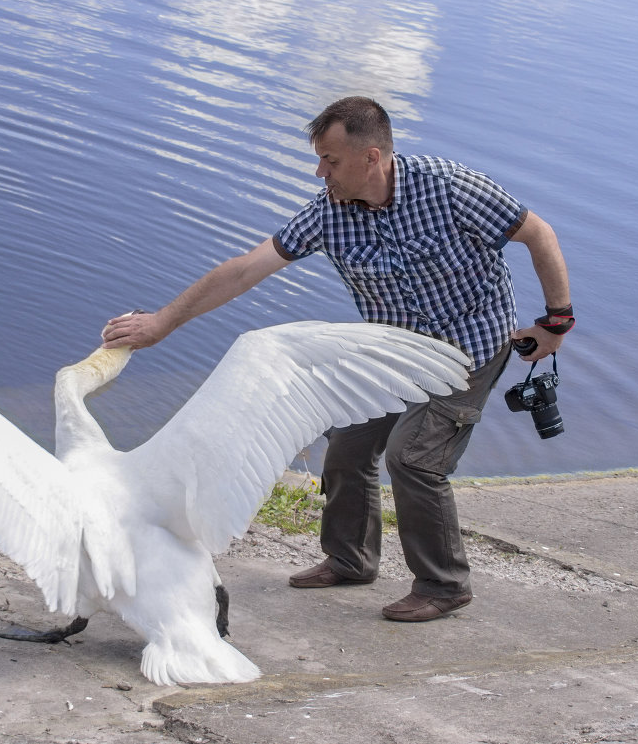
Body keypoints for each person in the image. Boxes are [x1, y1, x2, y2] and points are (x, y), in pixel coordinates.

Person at [101, 95, 572, 622]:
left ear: (371, 157)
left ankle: (444, 585)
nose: (319, 171)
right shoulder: (328, 212)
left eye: (330, 160)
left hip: (471, 344)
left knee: (413, 458)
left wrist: (556, 322)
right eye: (319, 158)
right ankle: (350, 559)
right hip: (393, 351)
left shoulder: (448, 185)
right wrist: (162, 322)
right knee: (347, 445)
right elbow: (243, 270)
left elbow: (538, 234)